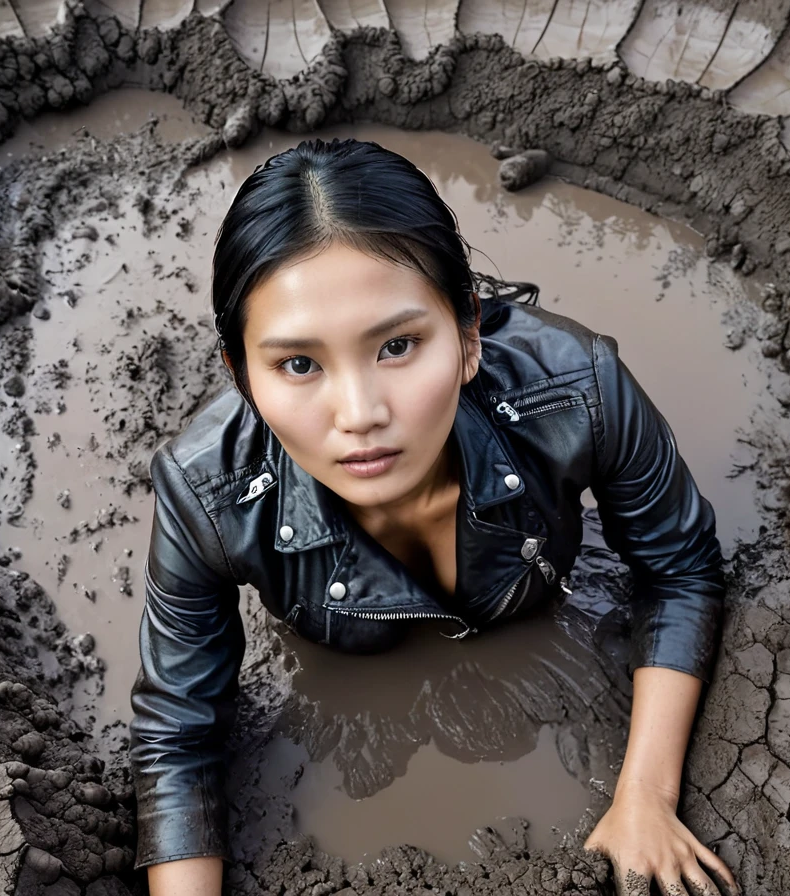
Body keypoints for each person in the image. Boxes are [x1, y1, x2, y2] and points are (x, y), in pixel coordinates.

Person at [129, 137, 738, 896]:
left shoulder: (577, 391)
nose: (360, 414)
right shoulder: (207, 490)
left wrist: (646, 796)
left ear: (469, 334)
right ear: (243, 378)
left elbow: (679, 569)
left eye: (398, 345)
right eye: (298, 364)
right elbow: (178, 729)